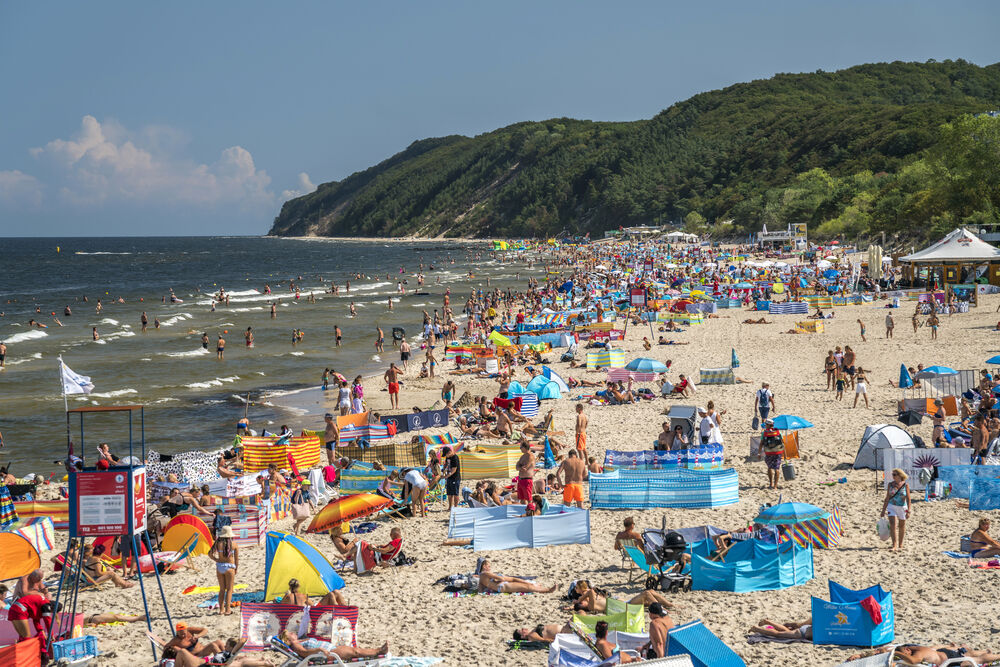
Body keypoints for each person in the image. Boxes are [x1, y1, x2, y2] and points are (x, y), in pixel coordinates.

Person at [278, 629, 388, 663]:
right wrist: (320, 649)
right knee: (355, 652)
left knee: (355, 650)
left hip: (330, 650)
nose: (293, 633)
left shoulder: (300, 640)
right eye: (291, 634)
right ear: (288, 640)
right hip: (329, 654)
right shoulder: (296, 646)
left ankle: (378, 650)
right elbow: (305, 653)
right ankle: (379, 652)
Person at [208, 526, 238, 615]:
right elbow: (237, 559)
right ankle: (228, 610)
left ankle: (221, 610)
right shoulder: (234, 544)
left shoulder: (217, 543)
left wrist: (216, 559)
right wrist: (236, 568)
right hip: (230, 567)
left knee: (222, 589)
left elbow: (209, 553)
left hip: (220, 566)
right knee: (229, 589)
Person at [477, 559, 557, 593]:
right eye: (488, 566)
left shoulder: (481, 577)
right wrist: (496, 577)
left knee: (522, 584)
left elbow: (480, 590)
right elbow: (501, 578)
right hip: (502, 586)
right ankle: (548, 590)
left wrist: (490, 587)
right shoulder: (487, 573)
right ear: (484, 566)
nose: (490, 568)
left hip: (500, 587)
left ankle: (535, 585)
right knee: (526, 587)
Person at [881, 468, 911, 551]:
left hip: (902, 507)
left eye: (894, 475)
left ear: (900, 475)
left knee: (901, 526)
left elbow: (908, 498)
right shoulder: (890, 485)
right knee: (892, 524)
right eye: (892, 475)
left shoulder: (905, 485)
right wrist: (883, 510)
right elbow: (887, 498)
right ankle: (894, 545)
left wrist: (909, 510)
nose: (893, 476)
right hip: (891, 506)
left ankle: (900, 544)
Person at [760, 419, 784, 490]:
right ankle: (775, 486)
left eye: (766, 424)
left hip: (769, 452)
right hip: (778, 452)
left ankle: (771, 484)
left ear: (768, 425)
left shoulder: (764, 433)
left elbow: (761, 443)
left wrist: (759, 453)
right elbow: (782, 443)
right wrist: (784, 453)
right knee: (777, 468)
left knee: (770, 467)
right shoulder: (778, 432)